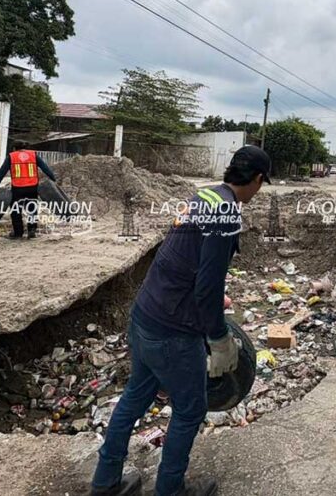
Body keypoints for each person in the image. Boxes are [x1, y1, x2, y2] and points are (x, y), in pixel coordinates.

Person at [89, 146, 271, 496]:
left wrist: (209, 301)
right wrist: (219, 338)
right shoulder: (227, 213)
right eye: (262, 183)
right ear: (258, 179)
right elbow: (207, 286)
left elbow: (185, 261)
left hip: (145, 314)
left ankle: (105, 482)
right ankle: (170, 489)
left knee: (134, 397)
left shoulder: (205, 195)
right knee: (190, 410)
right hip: (173, 331)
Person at [0, 145, 57, 239]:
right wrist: (53, 179)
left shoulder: (11, 156)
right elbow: (45, 168)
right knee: (32, 209)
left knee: (16, 211)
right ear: (26, 148)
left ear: (14, 148)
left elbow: (1, 172)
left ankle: (18, 233)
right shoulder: (33, 155)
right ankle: (32, 230)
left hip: (17, 188)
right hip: (32, 187)